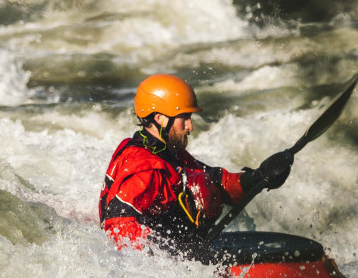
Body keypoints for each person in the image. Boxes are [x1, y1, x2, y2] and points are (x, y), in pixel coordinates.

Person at [99, 74, 293, 259]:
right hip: (165, 268)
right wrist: (175, 255)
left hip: (186, 252)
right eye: (184, 118)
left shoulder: (167, 154)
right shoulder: (145, 169)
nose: (190, 126)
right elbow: (118, 228)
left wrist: (258, 177)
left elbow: (218, 182)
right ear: (160, 119)